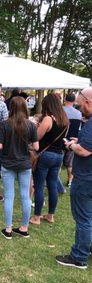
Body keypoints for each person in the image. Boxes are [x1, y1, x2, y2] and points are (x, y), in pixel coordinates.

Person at [56, 88, 92, 269]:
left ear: (88, 102)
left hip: (86, 178)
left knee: (83, 219)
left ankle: (79, 257)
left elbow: (85, 151)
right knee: (89, 217)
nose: (79, 109)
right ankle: (87, 247)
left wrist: (72, 146)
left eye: (80, 105)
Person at [0, 97, 39, 239]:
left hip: (8, 164)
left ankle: (8, 230)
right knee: (25, 196)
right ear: (25, 107)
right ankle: (24, 228)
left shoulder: (5, 124)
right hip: (25, 164)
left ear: (11, 107)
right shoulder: (31, 125)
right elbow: (36, 147)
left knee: (9, 196)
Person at [30, 93, 69, 225]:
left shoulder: (48, 119)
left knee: (39, 185)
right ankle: (50, 215)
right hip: (59, 156)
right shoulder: (65, 119)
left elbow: (37, 137)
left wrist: (36, 127)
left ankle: (36, 217)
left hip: (45, 155)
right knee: (52, 185)